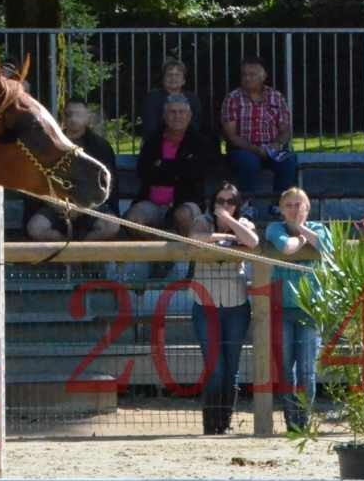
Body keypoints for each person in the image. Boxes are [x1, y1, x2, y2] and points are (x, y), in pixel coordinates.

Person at [186, 182, 257, 435]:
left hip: (236, 305)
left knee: (231, 369)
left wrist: (231, 222)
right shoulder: (202, 221)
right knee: (214, 367)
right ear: (212, 203)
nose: (224, 206)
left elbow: (252, 241)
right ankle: (210, 425)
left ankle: (224, 424)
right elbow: (194, 241)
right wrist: (225, 236)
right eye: (220, 201)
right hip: (205, 305)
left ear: (238, 205)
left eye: (230, 202)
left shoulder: (245, 223)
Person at [264, 187, 329, 431]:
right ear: (281, 209)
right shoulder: (274, 228)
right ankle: (291, 421)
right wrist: (303, 237)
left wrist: (301, 231)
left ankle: (305, 420)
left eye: (298, 205)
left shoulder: (320, 228)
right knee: (285, 368)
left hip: (311, 309)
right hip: (282, 308)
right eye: (289, 205)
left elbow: (325, 245)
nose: (294, 209)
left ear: (307, 208)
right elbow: (286, 248)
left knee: (306, 369)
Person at [24, 100, 120, 241]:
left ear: (88, 118)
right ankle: (66, 257)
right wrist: (56, 204)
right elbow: (41, 179)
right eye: (69, 114)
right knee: (35, 228)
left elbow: (107, 183)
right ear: (63, 118)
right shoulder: (51, 144)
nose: (73, 119)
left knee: (111, 226)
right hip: (56, 206)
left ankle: (81, 256)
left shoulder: (100, 146)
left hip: (92, 206)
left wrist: (83, 207)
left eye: (78, 115)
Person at [220, 56, 297, 211]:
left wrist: (275, 146)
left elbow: (286, 130)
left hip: (272, 148)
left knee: (289, 160)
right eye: (244, 75)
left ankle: (279, 205)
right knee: (248, 162)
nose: (247, 78)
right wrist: (255, 150)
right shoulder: (232, 98)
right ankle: (246, 205)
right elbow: (231, 136)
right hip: (243, 150)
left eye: (252, 74)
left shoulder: (276, 97)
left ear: (264, 75)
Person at [128, 95, 209, 237]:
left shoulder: (200, 142)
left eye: (181, 112)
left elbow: (196, 174)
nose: (177, 116)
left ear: (189, 115)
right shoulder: (152, 140)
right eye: (172, 112)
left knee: (184, 216)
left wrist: (161, 166)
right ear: (164, 115)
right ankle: (158, 257)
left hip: (186, 201)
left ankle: (188, 258)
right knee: (134, 219)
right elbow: (144, 172)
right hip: (151, 202)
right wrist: (179, 168)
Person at [141, 58, 205, 141]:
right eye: (169, 75)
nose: (173, 78)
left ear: (183, 81)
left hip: (187, 142)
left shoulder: (192, 99)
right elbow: (150, 127)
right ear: (163, 79)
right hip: (157, 143)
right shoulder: (152, 98)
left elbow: (196, 125)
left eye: (177, 75)